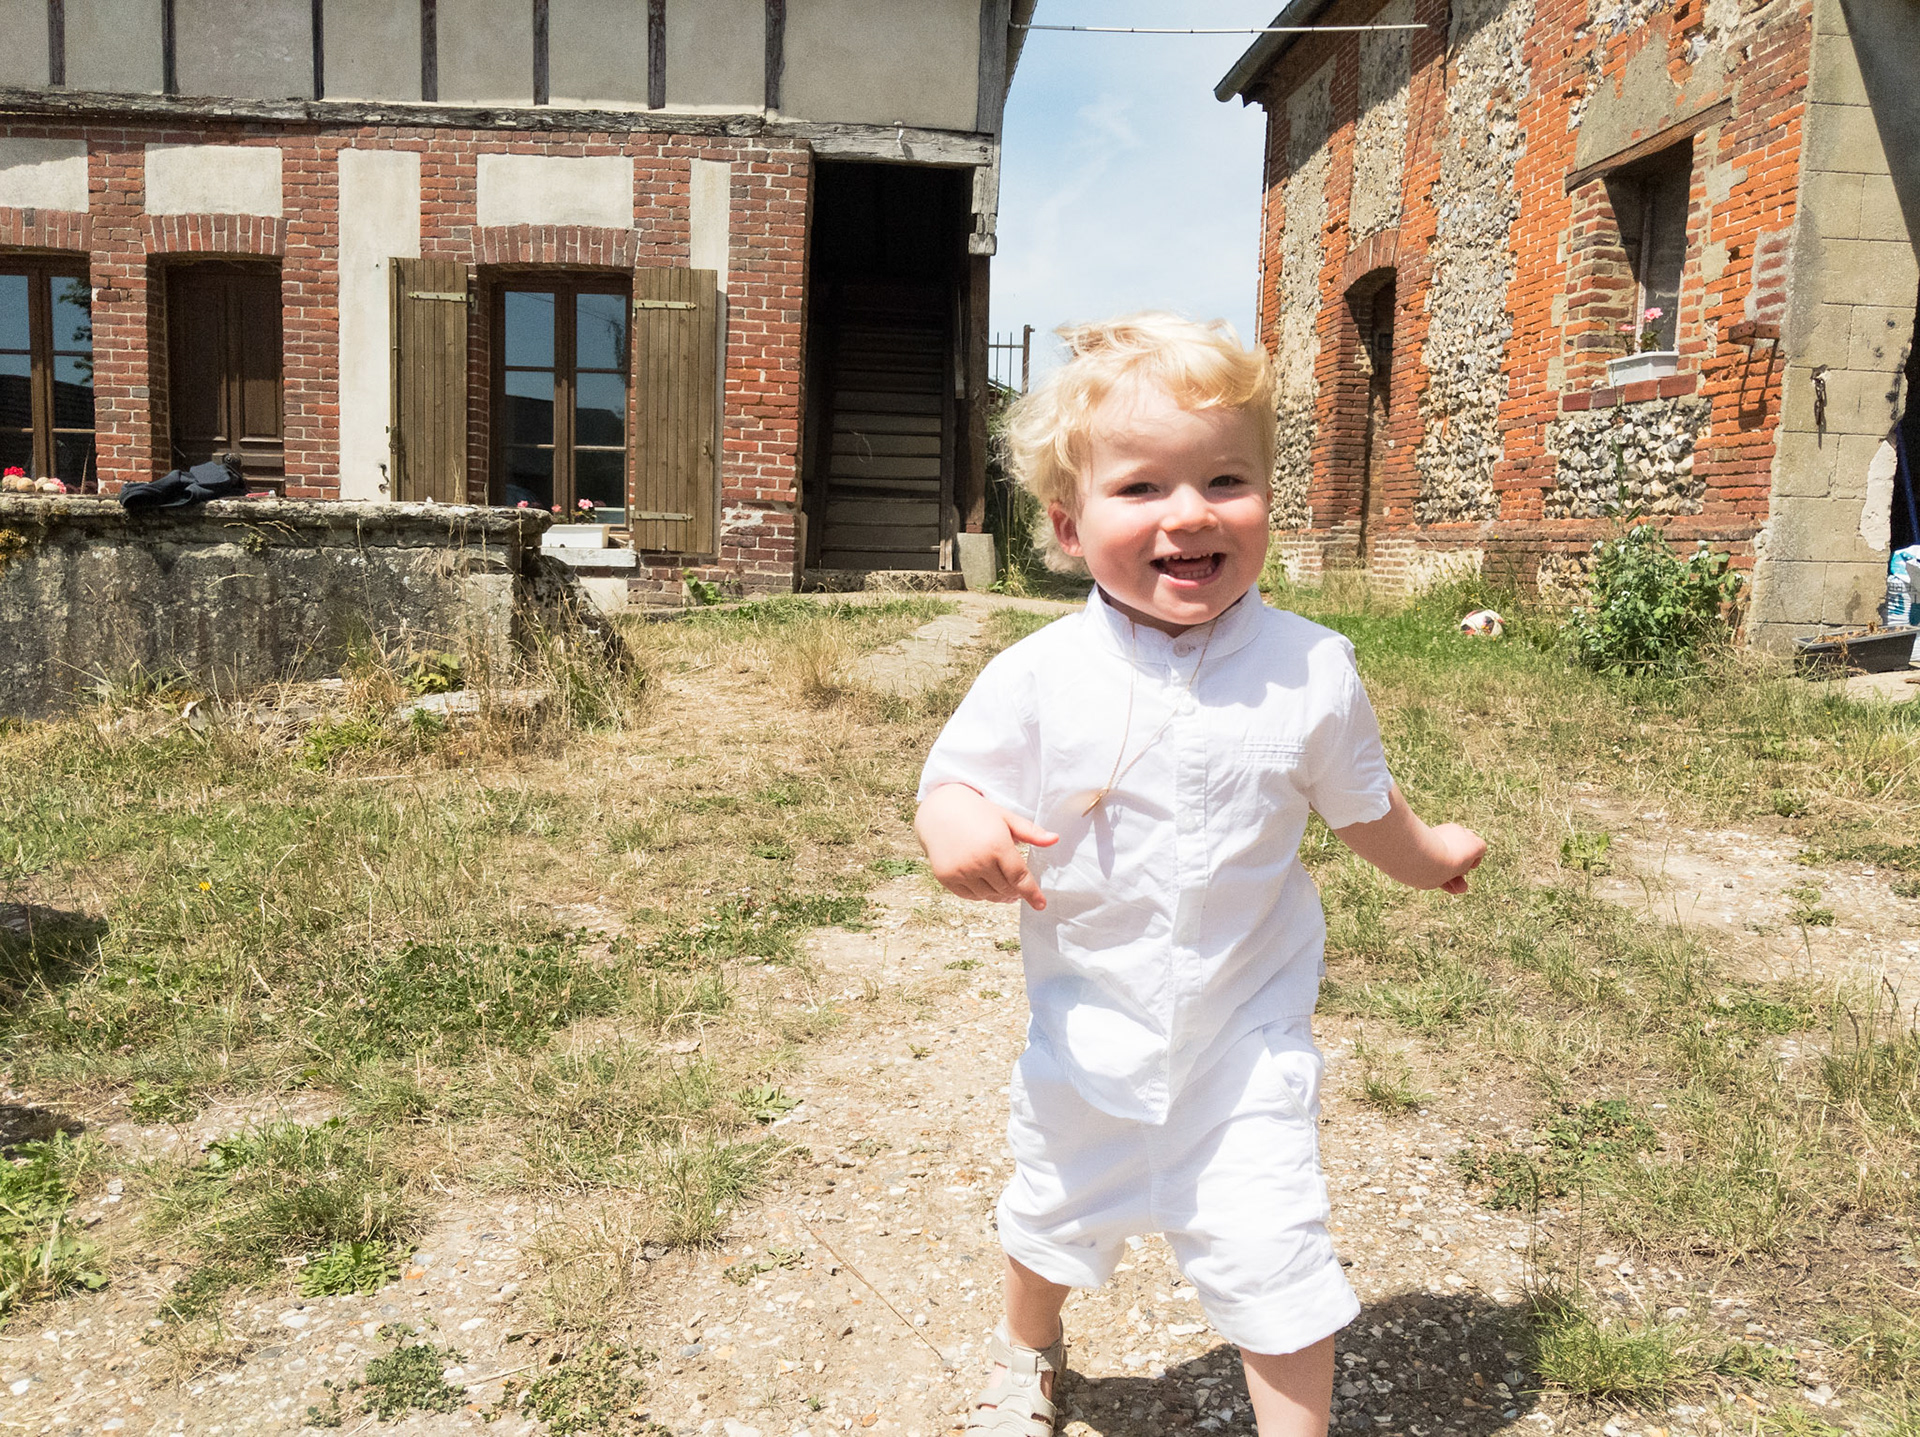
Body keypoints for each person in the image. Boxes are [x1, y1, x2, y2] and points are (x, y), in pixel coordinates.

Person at [914, 314, 1486, 1437]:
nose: (1189, 513)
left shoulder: (1311, 669)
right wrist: (957, 826)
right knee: (1052, 1213)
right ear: (1070, 527)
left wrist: (1431, 858)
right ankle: (1027, 1350)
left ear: (1270, 496)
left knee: (1279, 1255)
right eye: (1142, 488)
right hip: (1088, 1031)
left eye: (1226, 479)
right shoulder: (1039, 675)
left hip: (1245, 1042)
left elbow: (1363, 804)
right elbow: (954, 781)